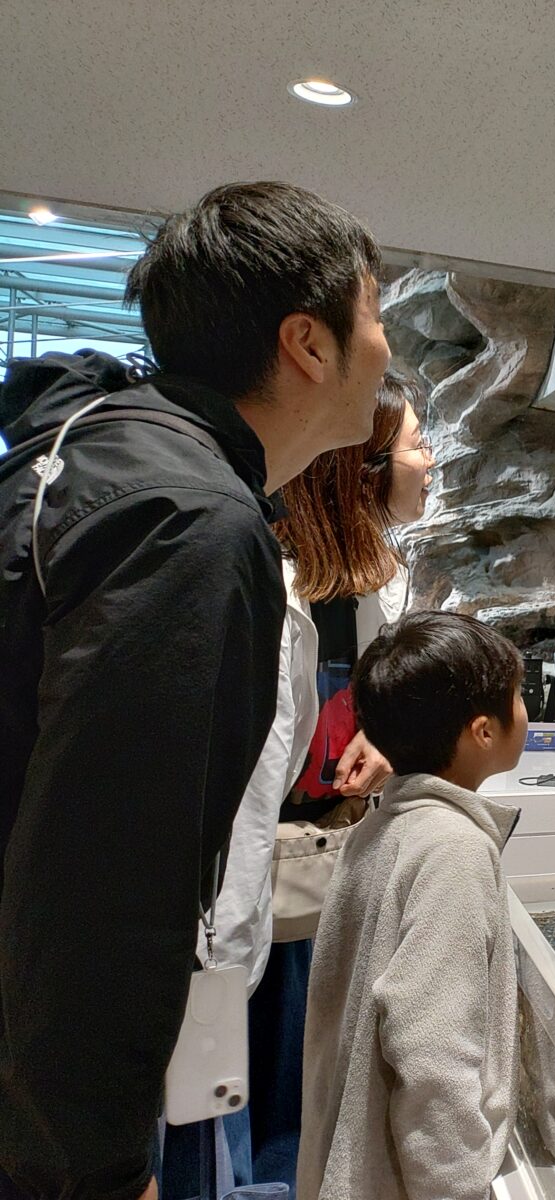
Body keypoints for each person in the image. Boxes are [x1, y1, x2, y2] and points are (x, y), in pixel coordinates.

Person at [0, 180, 388, 1200]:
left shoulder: (105, 453)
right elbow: (104, 875)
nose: (386, 347)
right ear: (309, 342)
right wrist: (94, 1166)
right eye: (375, 313)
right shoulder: (190, 523)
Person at [167, 371, 432, 1195]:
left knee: (306, 1098)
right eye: (420, 445)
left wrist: (385, 741)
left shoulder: (378, 578)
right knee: (248, 1103)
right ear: (365, 467)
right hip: (251, 902)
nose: (431, 464)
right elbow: (247, 782)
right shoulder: (275, 586)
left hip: (322, 878)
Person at [299, 611, 526, 1200]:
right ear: (483, 730)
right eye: (519, 695)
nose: (525, 708)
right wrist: (455, 1187)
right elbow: (432, 1053)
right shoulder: (453, 850)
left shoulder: (383, 828)